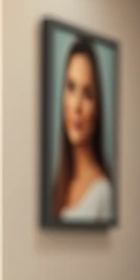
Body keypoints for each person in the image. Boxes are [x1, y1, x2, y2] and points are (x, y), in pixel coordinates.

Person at [51, 38, 113, 224]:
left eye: (87, 94)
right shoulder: (59, 185)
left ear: (97, 109)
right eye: (71, 87)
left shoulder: (103, 192)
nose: (76, 106)